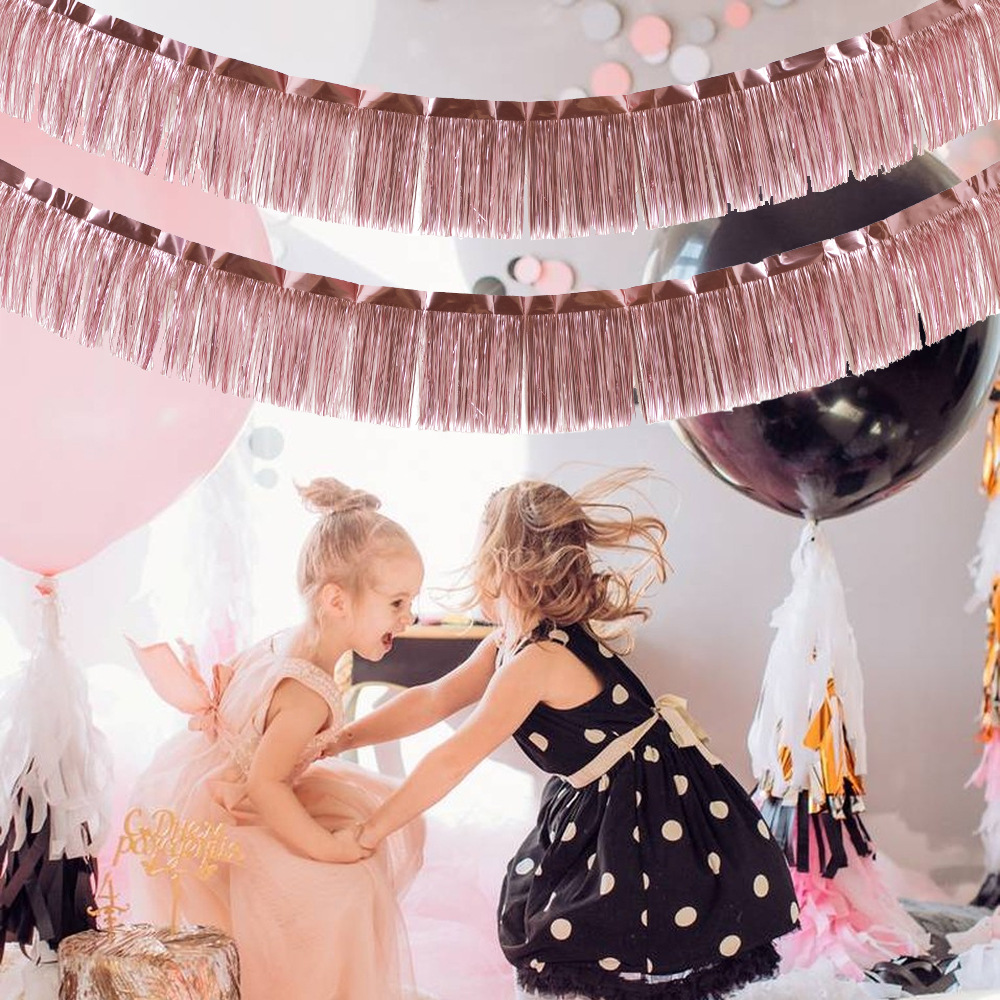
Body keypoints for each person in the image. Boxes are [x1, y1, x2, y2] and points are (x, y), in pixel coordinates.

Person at [333, 468, 799, 999]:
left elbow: (455, 756)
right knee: (562, 921)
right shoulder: (509, 643)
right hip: (597, 797)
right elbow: (433, 698)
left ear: (503, 565)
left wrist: (371, 830)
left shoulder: (539, 659)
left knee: (613, 934)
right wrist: (342, 737)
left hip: (645, 805)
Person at [125, 479, 426, 1000]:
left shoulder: (286, 643)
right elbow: (266, 785)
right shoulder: (308, 691)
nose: (409, 616)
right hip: (231, 814)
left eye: (412, 602)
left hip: (215, 788)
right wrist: (325, 847)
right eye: (398, 602)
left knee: (358, 852)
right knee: (345, 888)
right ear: (336, 600)